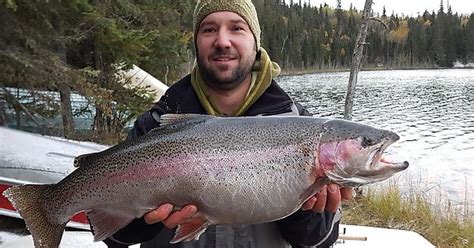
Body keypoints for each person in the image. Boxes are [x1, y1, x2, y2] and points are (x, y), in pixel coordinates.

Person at [103, 0, 352, 247]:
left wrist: (302, 208)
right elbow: (112, 237)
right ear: (196, 42)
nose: (222, 41)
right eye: (209, 29)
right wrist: (149, 218)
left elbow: (319, 241)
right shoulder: (155, 125)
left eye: (237, 28)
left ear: (256, 42)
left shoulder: (302, 125)